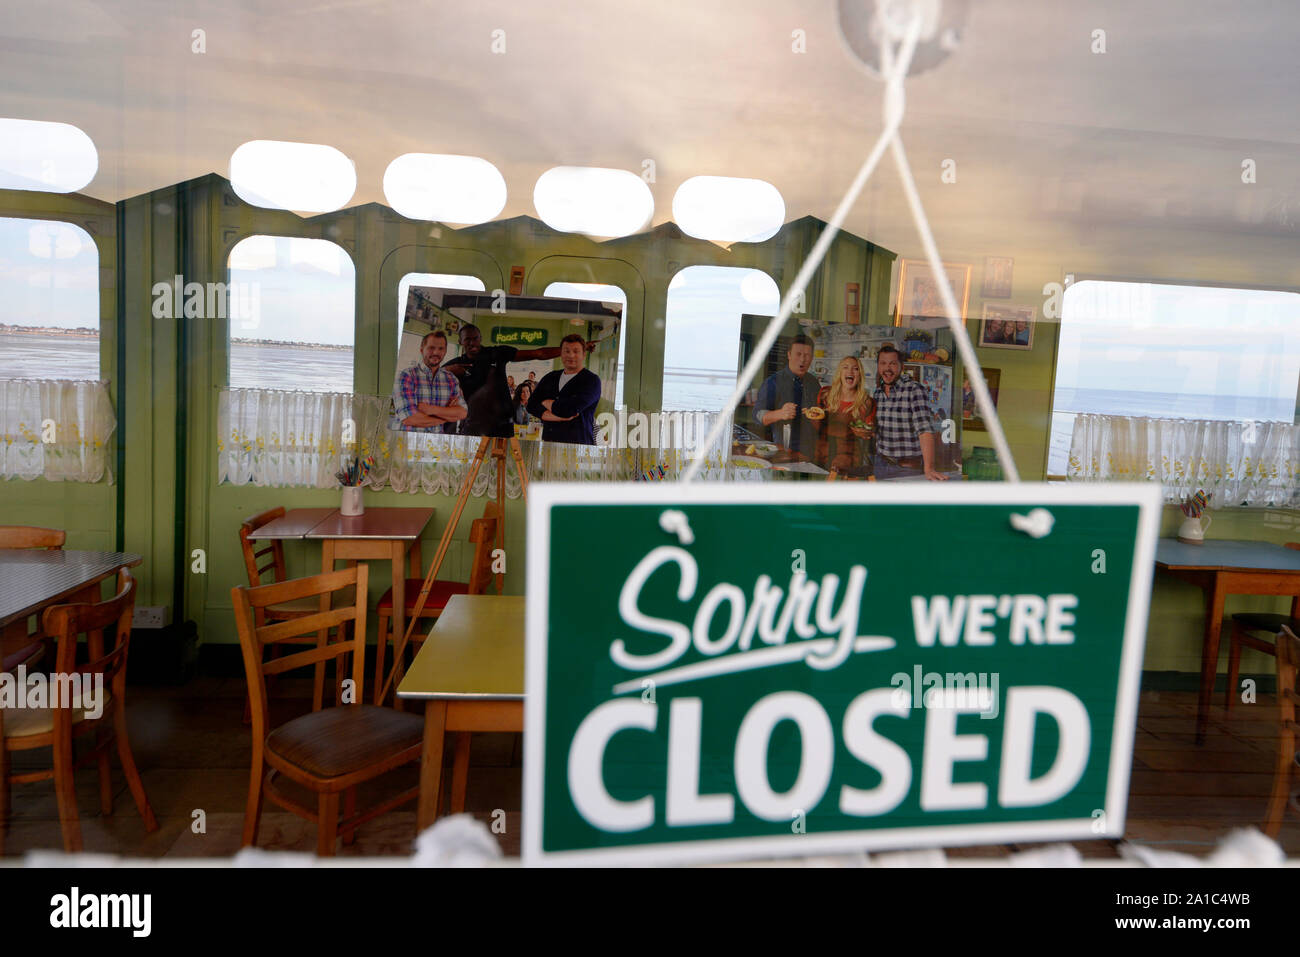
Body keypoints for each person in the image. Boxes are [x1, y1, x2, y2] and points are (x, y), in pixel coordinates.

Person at [443, 323, 594, 438]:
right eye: (467, 339)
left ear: (480, 338)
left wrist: (575, 350)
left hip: (502, 424)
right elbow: (432, 379)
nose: (472, 343)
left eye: (475, 338)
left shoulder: (496, 353)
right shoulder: (455, 366)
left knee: (503, 467)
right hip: (473, 426)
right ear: (460, 341)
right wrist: (449, 371)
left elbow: (538, 353)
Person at [872, 344, 946, 481]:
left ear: (902, 367)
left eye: (893, 364)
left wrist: (929, 469)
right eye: (883, 363)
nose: (887, 368)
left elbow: (924, 430)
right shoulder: (877, 393)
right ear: (878, 367)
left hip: (906, 469)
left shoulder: (914, 389)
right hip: (880, 465)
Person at [527, 334, 604, 444]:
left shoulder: (591, 381)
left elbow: (570, 410)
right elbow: (531, 405)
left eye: (576, 351)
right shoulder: (550, 377)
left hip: (579, 447)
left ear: (584, 354)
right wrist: (558, 417)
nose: (571, 355)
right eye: (566, 351)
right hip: (549, 444)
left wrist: (545, 402)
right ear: (561, 354)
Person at [752, 334, 821, 457]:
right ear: (789, 355)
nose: (803, 360)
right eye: (798, 354)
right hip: (784, 453)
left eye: (807, 355)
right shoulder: (773, 382)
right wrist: (780, 413)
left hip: (812, 452)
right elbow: (757, 416)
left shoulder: (814, 382)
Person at [390, 330, 467, 433]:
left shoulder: (451, 379)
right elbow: (409, 418)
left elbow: (462, 413)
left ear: (445, 351)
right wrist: (448, 416)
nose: (436, 352)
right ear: (422, 350)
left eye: (441, 348)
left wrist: (431, 409)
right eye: (431, 348)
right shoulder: (406, 376)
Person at [816, 355, 874, 476]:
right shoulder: (825, 394)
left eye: (855, 369)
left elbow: (869, 429)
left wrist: (869, 432)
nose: (850, 371)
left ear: (860, 375)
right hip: (820, 453)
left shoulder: (867, 402)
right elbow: (815, 421)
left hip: (848, 458)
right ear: (839, 373)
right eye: (845, 367)